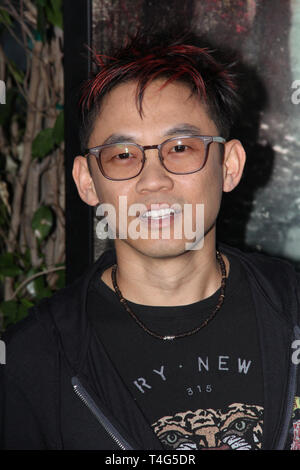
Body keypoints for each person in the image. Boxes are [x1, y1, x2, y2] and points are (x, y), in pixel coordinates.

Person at [1, 31, 300, 451]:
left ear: (229, 166)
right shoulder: (34, 362)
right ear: (88, 182)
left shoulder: (292, 312)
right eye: (122, 155)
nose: (153, 180)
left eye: (180, 147)